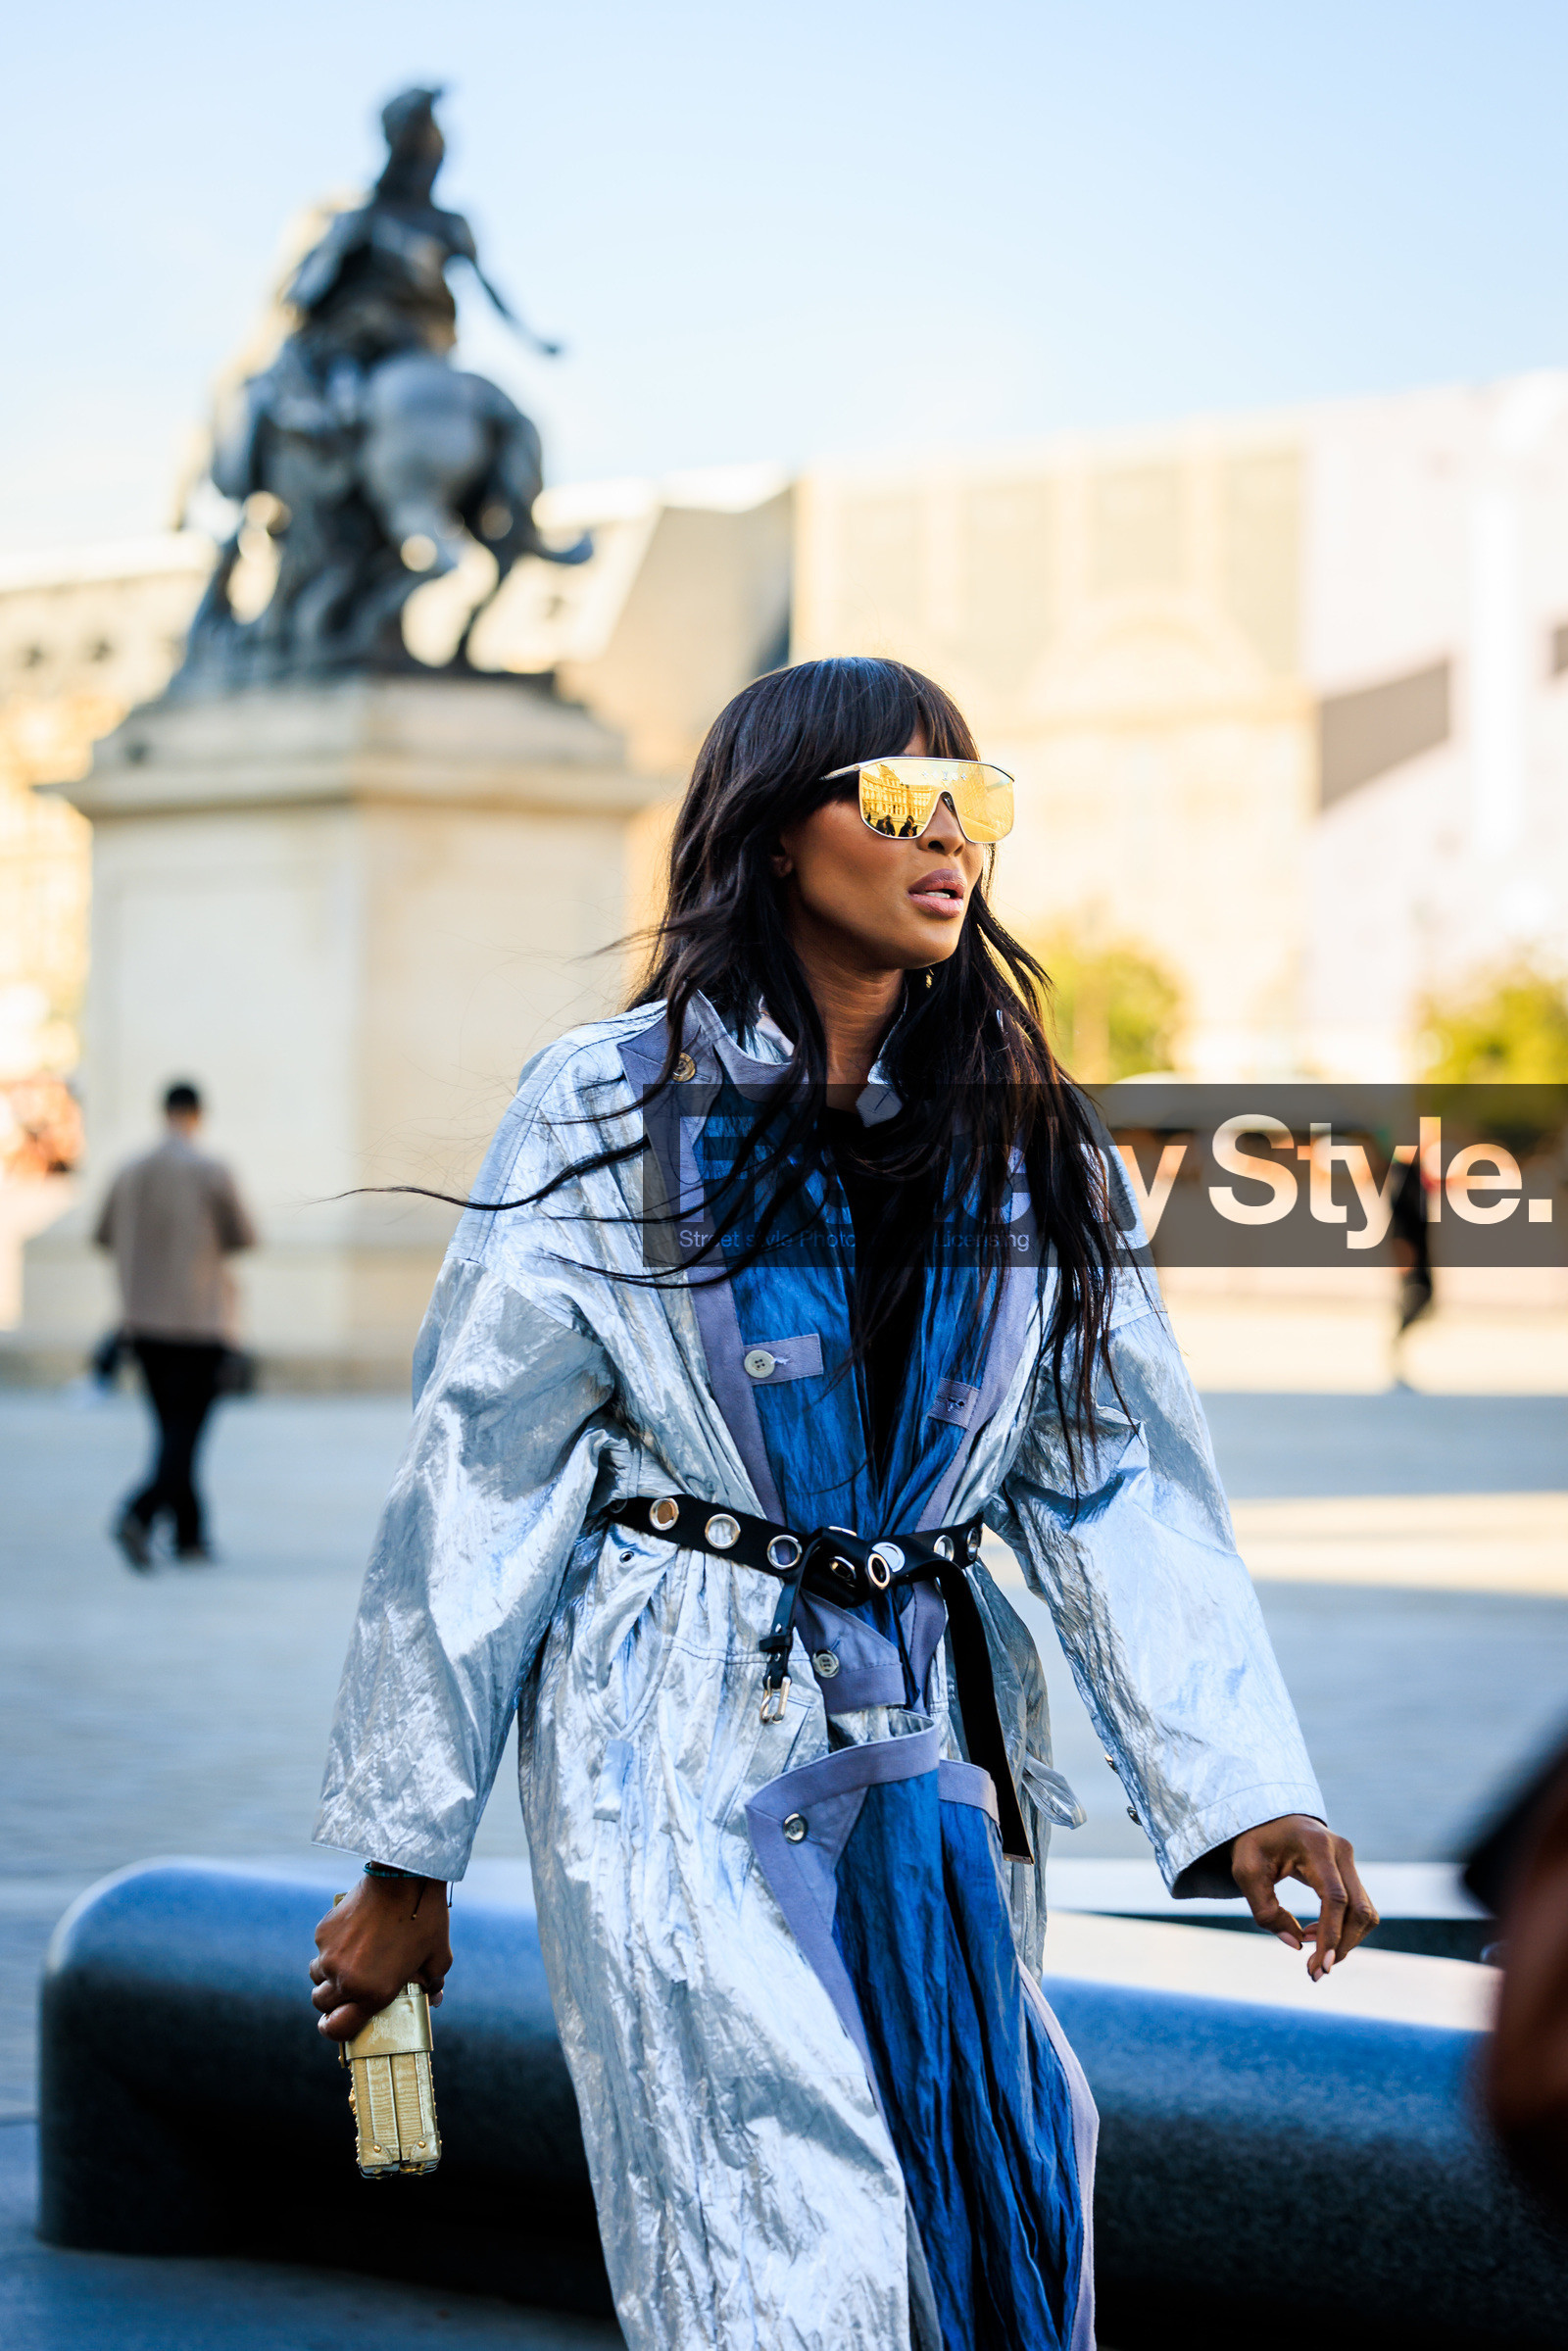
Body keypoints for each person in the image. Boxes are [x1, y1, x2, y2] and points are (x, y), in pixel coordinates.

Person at [310, 659, 1378, 2351]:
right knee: (783, 2216)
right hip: (670, 1727)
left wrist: (1249, 1790)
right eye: (899, 797)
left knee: (997, 2157)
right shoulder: (604, 1103)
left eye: (980, 801)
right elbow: (478, 1476)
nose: (950, 837)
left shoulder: (1028, 1144)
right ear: (773, 826)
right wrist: (405, 1853)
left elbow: (1118, 1483)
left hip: (937, 1741)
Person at [94, 1081, 256, 1569]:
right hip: (199, 1325)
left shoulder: (128, 1172)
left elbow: (103, 1235)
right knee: (185, 1435)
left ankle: (190, 1536)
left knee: (170, 1429)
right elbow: (243, 1237)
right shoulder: (210, 1170)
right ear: (198, 1115)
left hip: (142, 1324)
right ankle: (138, 1512)